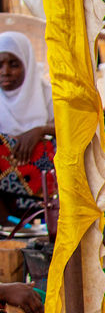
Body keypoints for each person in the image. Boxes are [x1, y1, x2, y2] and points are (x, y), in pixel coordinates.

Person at [0, 33, 55, 216]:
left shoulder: (47, 94)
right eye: (0, 65)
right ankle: (5, 221)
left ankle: (47, 216)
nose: (5, 72)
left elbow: (73, 130)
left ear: (28, 64)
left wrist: (39, 131)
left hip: (44, 189)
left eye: (14, 64)